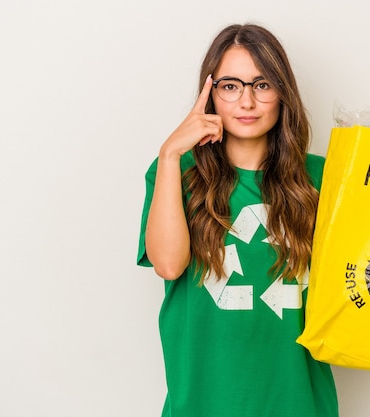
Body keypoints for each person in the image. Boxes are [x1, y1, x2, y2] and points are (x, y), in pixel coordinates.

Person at [137, 23, 339, 417]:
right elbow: (168, 263)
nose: (247, 101)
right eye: (230, 86)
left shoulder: (324, 178)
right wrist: (169, 154)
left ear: (283, 94)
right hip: (203, 402)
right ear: (209, 94)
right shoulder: (179, 172)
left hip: (298, 402)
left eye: (262, 85)